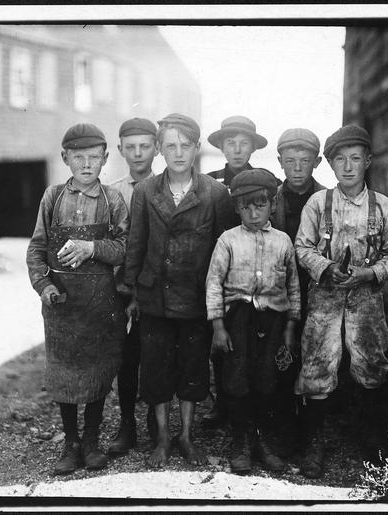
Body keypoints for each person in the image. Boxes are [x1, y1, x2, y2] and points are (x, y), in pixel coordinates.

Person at [294, 124, 388, 478]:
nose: (348, 167)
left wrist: (370, 273)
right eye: (340, 160)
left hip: (366, 299)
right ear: (330, 164)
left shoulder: (383, 206)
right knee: (318, 362)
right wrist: (326, 268)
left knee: (370, 361)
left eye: (355, 159)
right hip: (325, 298)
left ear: (367, 162)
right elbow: (302, 247)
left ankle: (371, 436)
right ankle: (314, 441)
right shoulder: (318, 203)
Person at [124, 113, 235, 468]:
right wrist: (133, 294)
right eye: (170, 146)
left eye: (185, 146)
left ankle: (186, 436)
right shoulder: (145, 191)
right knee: (155, 369)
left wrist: (217, 300)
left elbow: (222, 251)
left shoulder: (214, 193)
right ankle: (162, 437)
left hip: (195, 298)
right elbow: (136, 245)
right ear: (159, 149)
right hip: (154, 297)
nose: (178, 153)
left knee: (192, 368)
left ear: (197, 148)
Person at [26, 123, 129, 475]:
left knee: (98, 373)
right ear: (65, 158)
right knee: (65, 375)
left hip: (100, 304)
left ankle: (91, 441)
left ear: (105, 158)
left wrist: (92, 248)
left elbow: (124, 249)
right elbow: (36, 249)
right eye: (79, 157)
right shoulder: (52, 198)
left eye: (94, 158)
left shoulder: (113, 200)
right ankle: (70, 443)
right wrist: (44, 286)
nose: (87, 165)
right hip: (62, 305)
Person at [206, 168, 301, 475]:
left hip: (273, 320)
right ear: (236, 208)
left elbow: (293, 287)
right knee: (237, 379)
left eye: (260, 205)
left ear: (272, 205)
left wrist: (290, 327)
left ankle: (261, 441)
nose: (253, 213)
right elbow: (214, 283)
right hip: (238, 318)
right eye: (245, 207)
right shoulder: (228, 240)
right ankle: (240, 443)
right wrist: (218, 326)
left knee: (266, 380)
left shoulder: (283, 242)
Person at [203, 115, 272, 429]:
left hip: (253, 270)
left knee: (253, 338)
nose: (237, 149)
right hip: (219, 267)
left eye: (244, 143)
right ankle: (223, 402)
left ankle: (254, 406)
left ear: (253, 147)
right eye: (230, 143)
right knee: (220, 340)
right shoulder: (210, 181)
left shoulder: (266, 181)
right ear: (221, 146)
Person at [269, 128, 326, 457]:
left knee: (317, 359)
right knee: (282, 356)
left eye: (305, 161)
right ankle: (285, 429)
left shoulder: (329, 200)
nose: (297, 167)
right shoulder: (270, 200)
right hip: (279, 291)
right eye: (290, 161)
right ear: (280, 162)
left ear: (316, 162)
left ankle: (313, 433)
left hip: (317, 290)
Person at [106, 117, 159, 456]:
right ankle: (127, 424)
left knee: (154, 356)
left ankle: (156, 421)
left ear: (156, 148)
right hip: (119, 289)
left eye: (145, 146)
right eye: (131, 147)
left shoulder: (165, 187)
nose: (138, 153)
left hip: (153, 289)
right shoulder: (112, 192)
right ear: (120, 149)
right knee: (125, 359)